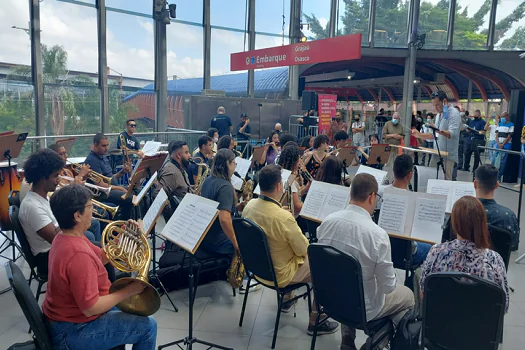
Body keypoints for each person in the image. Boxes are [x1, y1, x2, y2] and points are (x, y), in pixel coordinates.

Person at [44, 184, 157, 349]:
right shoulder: (77, 254)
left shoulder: (66, 236)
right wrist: (129, 291)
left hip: (69, 319)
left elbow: (103, 257)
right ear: (77, 216)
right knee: (148, 326)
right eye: (90, 206)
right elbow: (91, 308)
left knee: (135, 312)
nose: (92, 210)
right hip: (74, 330)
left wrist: (123, 237)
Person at [318, 173, 415, 350]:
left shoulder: (327, 222)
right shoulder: (377, 235)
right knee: (407, 296)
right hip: (364, 308)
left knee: (348, 281)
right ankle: (374, 345)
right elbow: (389, 287)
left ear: (351, 194)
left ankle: (347, 339)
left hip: (331, 299)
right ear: (371, 197)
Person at [242, 165, 339, 335]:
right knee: (324, 265)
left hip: (259, 270)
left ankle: (287, 299)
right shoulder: (283, 217)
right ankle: (316, 320)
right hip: (280, 275)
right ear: (279, 186)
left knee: (283, 246)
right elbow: (304, 250)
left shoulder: (249, 205)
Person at [420, 196, 509, 313]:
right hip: (481, 329)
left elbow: (424, 294)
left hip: (440, 327)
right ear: (482, 223)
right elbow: (504, 306)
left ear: (455, 224)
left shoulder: (436, 252)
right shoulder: (495, 259)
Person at [19, 149, 98, 276]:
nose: (58, 180)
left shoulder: (43, 196)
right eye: (55, 176)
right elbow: (58, 239)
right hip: (48, 256)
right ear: (42, 178)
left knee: (99, 245)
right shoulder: (32, 206)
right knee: (97, 249)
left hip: (57, 247)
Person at [377, 154, 432, 289]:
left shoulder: (379, 192)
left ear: (393, 171)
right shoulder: (413, 199)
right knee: (431, 247)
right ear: (410, 175)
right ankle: (416, 286)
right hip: (405, 252)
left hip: (382, 246)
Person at [199, 149, 240, 257]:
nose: (235, 167)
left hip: (205, 237)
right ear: (228, 164)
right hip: (219, 242)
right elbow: (224, 219)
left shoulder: (208, 179)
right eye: (234, 163)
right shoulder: (225, 186)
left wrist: (238, 206)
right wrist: (237, 244)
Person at [412, 91, 461, 180]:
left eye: (437, 105)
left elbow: (452, 134)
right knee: (432, 179)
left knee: (445, 181)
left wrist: (437, 130)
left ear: (445, 101)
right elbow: (434, 135)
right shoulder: (439, 115)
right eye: (434, 105)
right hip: (436, 152)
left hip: (447, 155)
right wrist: (419, 135)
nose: (435, 108)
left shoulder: (454, 114)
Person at [84, 133, 133, 220]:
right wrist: (120, 188)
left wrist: (122, 172)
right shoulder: (92, 160)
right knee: (129, 197)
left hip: (111, 189)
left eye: (107, 145)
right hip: (102, 193)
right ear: (95, 145)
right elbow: (101, 185)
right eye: (103, 146)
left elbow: (110, 179)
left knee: (136, 191)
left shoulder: (103, 156)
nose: (106, 148)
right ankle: (124, 224)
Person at [474, 164, 519, 251]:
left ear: (475, 184)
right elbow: (513, 245)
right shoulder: (508, 216)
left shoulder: (462, 212)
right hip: (496, 263)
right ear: (497, 185)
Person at [277, 145, 305, 216]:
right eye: (299, 158)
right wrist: (309, 205)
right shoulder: (290, 180)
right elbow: (296, 207)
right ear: (295, 162)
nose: (300, 161)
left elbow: (294, 194)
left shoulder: (279, 173)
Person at [463, 109, 486, 176]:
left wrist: (477, 131)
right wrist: (468, 130)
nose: (475, 115)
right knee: (467, 153)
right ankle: (466, 167)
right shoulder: (472, 121)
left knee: (477, 156)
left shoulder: (482, 122)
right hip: (470, 140)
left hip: (478, 140)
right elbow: (469, 128)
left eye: (476, 114)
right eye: (474, 114)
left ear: (479, 115)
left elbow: (483, 131)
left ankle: (475, 170)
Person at [382, 112, 404, 177]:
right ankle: (385, 178)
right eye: (394, 118)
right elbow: (384, 135)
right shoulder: (387, 124)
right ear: (392, 117)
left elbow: (402, 135)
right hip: (388, 147)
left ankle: (395, 178)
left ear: (399, 119)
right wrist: (393, 135)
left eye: (397, 118)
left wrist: (399, 137)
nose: (395, 119)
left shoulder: (400, 126)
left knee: (396, 164)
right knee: (387, 163)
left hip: (396, 148)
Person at [495, 111, 514, 182]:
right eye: (501, 117)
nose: (502, 118)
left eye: (503, 117)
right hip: (498, 145)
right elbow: (496, 135)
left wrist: (503, 144)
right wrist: (498, 143)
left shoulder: (511, 125)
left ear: (507, 117)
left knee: (502, 162)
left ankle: (499, 177)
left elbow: (509, 136)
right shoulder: (499, 124)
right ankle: (494, 176)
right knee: (495, 160)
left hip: (506, 145)